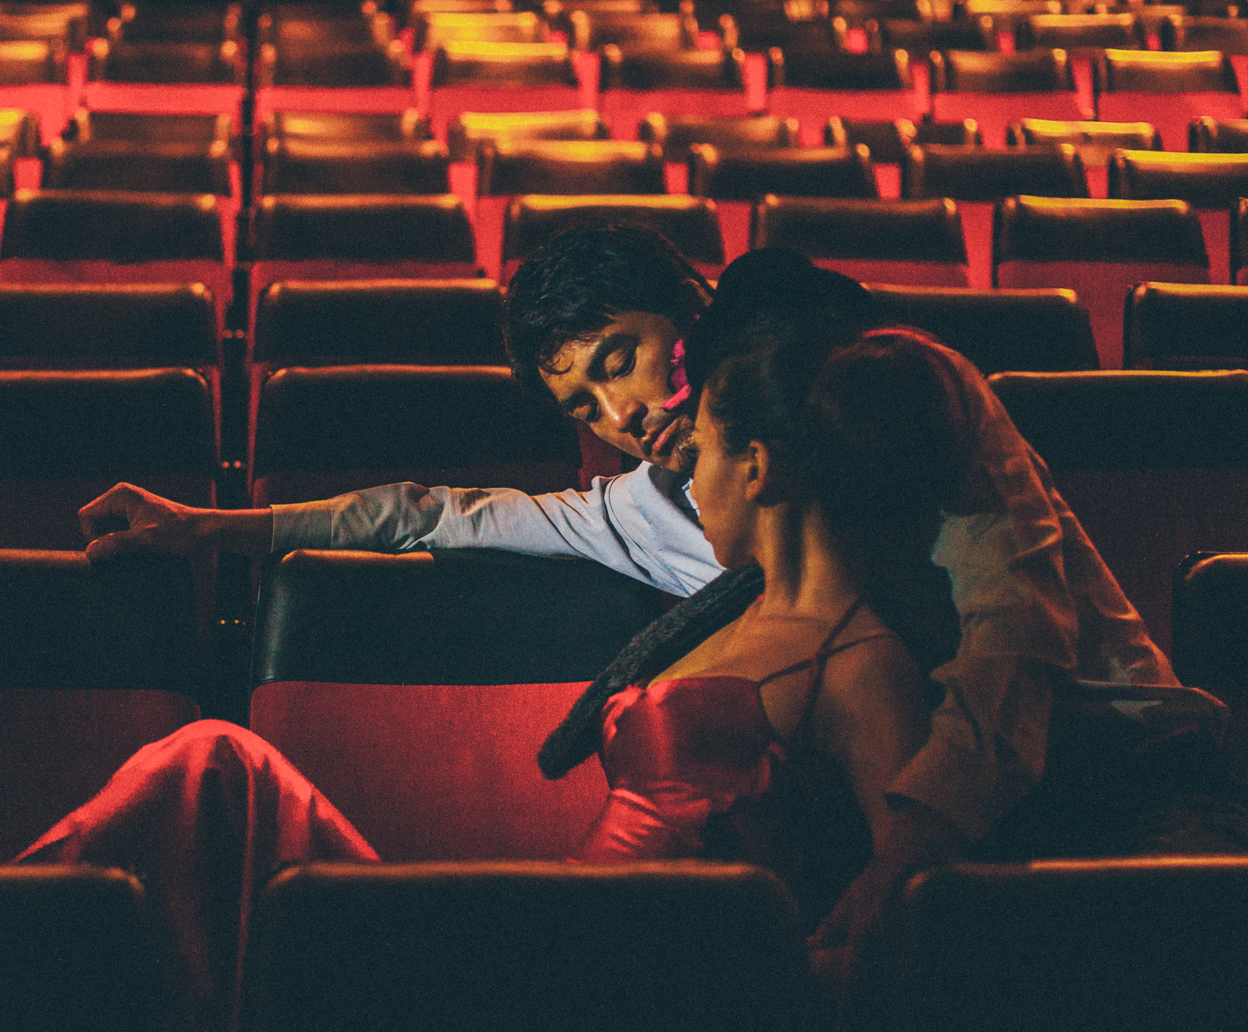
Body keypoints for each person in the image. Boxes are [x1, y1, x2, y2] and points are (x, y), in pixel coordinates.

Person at [75, 237, 1228, 965]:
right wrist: (207, 528)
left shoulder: (895, 397)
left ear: (697, 313)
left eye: (622, 356)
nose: (622, 413)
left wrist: (899, 880)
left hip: (1129, 784)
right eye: (583, 400)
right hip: (907, 835)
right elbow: (428, 514)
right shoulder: (642, 507)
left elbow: (1013, 648)